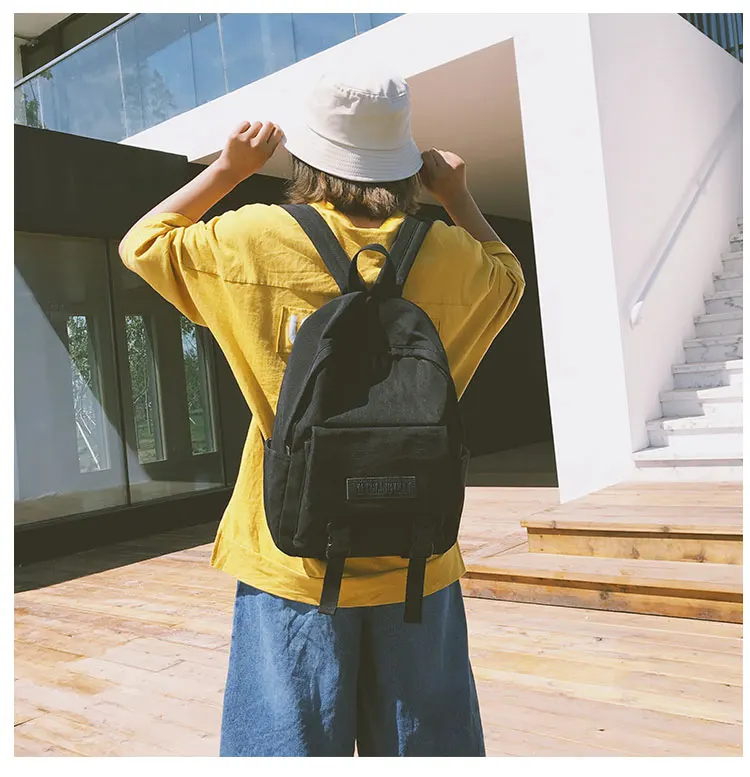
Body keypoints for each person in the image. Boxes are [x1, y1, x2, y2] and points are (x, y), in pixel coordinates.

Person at [119, 68, 525, 757]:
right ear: (403, 163)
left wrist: (229, 168)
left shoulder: (249, 239)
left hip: (290, 552)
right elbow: (509, 275)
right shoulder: (457, 258)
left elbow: (144, 243)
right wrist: (457, 196)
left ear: (307, 155)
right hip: (417, 553)